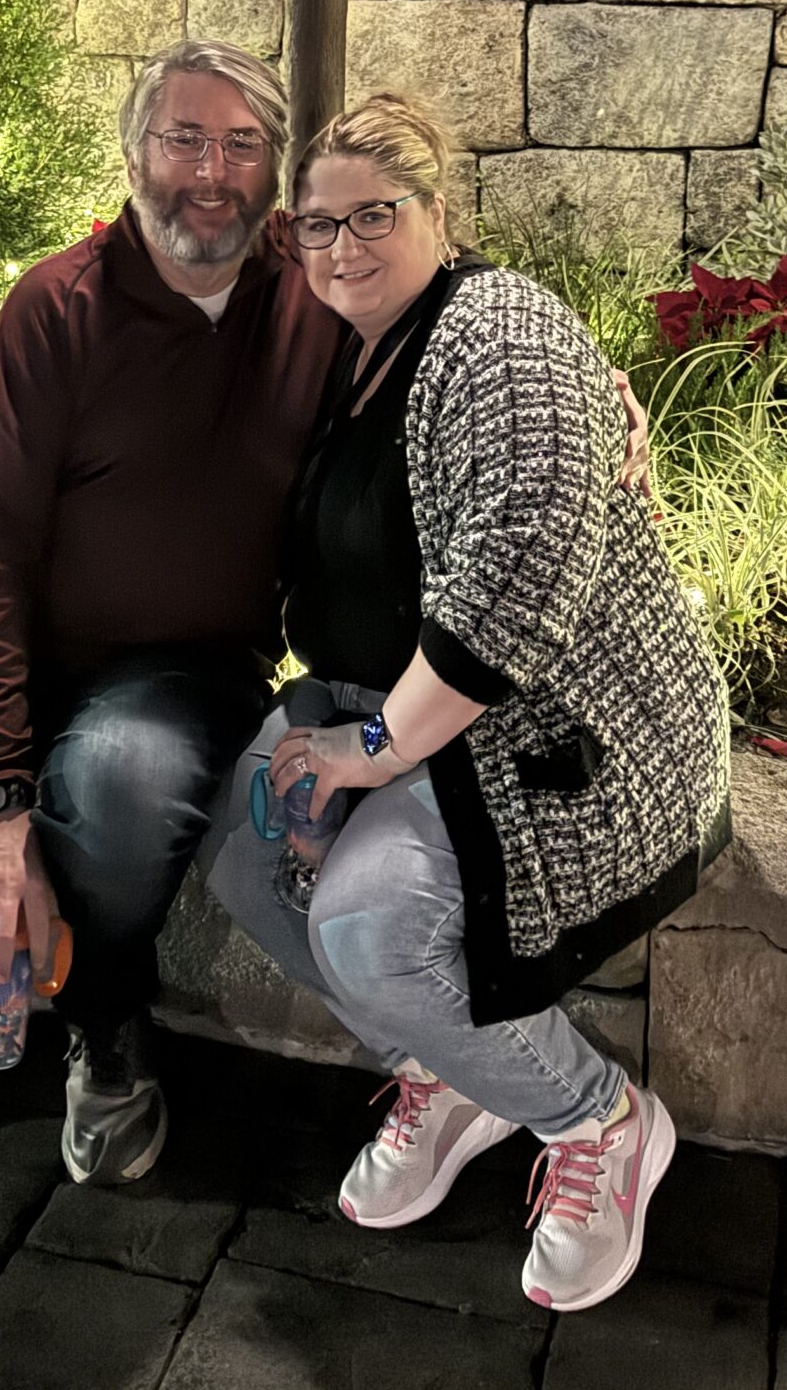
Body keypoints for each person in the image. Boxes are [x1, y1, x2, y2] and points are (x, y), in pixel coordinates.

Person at [0, 40, 650, 1189]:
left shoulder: (315, 290)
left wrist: (593, 389)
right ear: (134, 155)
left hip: (177, 667)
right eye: (184, 139)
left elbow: (443, 294)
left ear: (274, 171)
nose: (211, 173)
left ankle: (106, 1019)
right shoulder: (53, 309)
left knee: (122, 795)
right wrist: (0, 803)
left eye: (241, 144)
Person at [203, 93, 730, 1314]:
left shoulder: (498, 340)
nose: (343, 245)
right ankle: (446, 1067)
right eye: (319, 223)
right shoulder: (329, 334)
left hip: (551, 734)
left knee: (366, 928)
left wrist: (366, 751)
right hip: (384, 702)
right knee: (244, 846)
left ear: (439, 212)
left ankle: (597, 1118)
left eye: (374, 216)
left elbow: (513, 602)